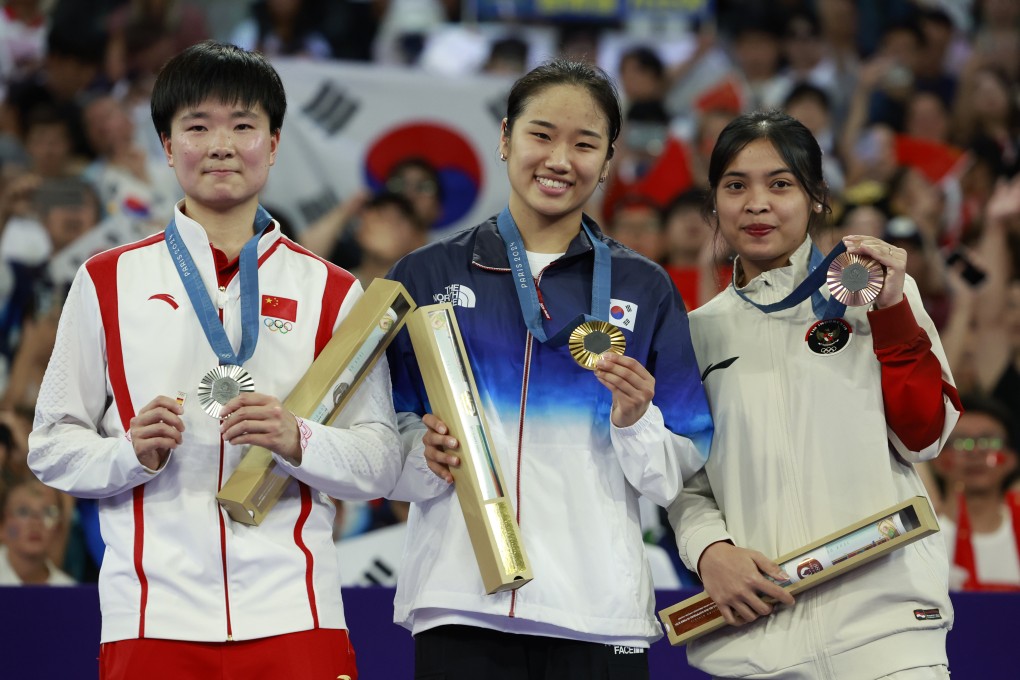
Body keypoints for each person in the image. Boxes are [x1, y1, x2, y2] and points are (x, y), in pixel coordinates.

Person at [27, 41, 402, 680]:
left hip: (296, 609)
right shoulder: (106, 280)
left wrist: (298, 438)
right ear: (168, 148)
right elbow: (50, 446)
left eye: (243, 126)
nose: (221, 145)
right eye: (197, 127)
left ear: (275, 143)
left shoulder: (334, 291)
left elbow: (380, 462)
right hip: (150, 613)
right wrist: (126, 453)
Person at [385, 59, 713, 679]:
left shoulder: (645, 287)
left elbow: (676, 473)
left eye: (584, 143)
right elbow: (382, 440)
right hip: (460, 601)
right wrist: (417, 456)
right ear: (505, 137)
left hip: (599, 611)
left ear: (609, 159)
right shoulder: (424, 276)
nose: (560, 159)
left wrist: (637, 421)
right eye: (541, 135)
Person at [668, 110, 962, 679]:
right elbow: (686, 480)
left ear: (817, 198)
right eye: (736, 186)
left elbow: (923, 437)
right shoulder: (696, 333)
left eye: (780, 184)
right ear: (714, 203)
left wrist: (893, 312)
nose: (756, 203)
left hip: (888, 633)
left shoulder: (876, 293)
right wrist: (709, 552)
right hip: (757, 646)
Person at [931, 395, 1020, 591]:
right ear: (936, 459)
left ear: (1012, 459)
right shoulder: (923, 539)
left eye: (990, 442)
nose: (975, 452)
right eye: (961, 442)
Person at [0, 477, 75, 585]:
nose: (36, 522)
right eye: (23, 511)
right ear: (2, 525)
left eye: (48, 512)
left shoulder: (68, 591)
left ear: (58, 529)